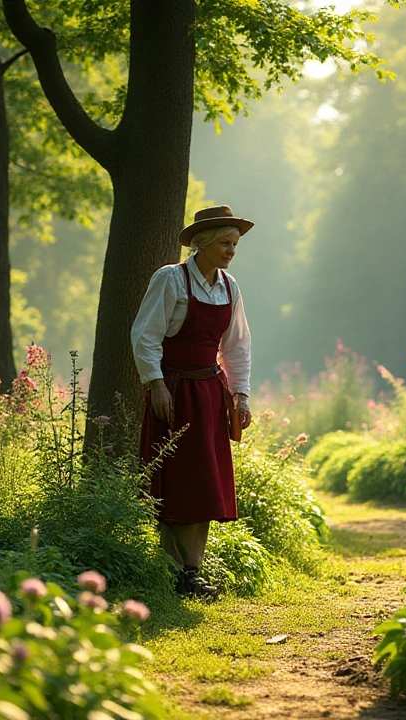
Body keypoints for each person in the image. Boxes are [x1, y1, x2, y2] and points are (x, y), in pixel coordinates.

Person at [131, 205, 254, 598]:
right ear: (201, 242)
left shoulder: (229, 287)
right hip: (175, 390)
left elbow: (236, 347)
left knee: (204, 485)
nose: (231, 250)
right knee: (176, 482)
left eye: (234, 244)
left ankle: (190, 571)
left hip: (210, 395)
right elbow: (145, 335)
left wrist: (241, 394)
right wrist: (155, 384)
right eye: (224, 242)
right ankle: (174, 571)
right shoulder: (171, 279)